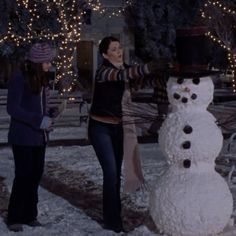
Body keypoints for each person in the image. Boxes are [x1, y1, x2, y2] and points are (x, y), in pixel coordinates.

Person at [88, 36, 168, 233]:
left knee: (115, 175)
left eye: (119, 47)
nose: (119, 51)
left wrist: (162, 73)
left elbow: (137, 79)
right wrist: (148, 67)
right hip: (100, 129)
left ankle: (114, 215)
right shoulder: (104, 72)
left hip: (118, 128)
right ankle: (112, 221)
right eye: (114, 49)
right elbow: (125, 74)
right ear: (105, 54)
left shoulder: (125, 71)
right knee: (111, 173)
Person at [6, 42, 54, 232]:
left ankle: (29, 215)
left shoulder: (41, 79)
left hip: (38, 138)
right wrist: (37, 120)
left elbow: (41, 107)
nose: (49, 64)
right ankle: (14, 217)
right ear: (37, 62)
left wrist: (50, 114)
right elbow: (13, 108)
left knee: (35, 176)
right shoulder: (19, 79)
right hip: (23, 137)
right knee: (23, 176)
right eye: (47, 61)